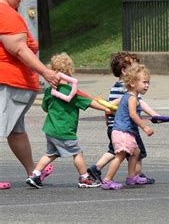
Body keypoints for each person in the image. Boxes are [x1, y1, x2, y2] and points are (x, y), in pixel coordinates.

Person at [0, 0, 60, 190]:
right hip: (8, 81)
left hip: (14, 82)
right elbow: (18, 49)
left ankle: (33, 170)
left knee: (16, 131)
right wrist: (46, 72)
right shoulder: (5, 13)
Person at [26, 53, 110, 188]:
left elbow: (45, 108)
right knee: (77, 153)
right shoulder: (73, 93)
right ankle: (84, 178)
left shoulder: (49, 91)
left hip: (50, 129)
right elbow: (89, 103)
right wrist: (106, 109)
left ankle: (35, 174)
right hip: (65, 130)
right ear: (70, 71)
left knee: (50, 153)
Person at [87, 52, 158, 184]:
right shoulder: (128, 89)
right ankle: (136, 174)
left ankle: (96, 168)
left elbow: (109, 106)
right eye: (135, 68)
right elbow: (139, 105)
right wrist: (153, 116)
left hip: (115, 126)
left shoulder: (117, 86)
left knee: (115, 150)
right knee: (137, 152)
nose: (139, 70)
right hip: (125, 127)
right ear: (125, 71)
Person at [101, 64, 155, 190]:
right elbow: (133, 114)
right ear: (132, 83)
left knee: (136, 152)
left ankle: (131, 177)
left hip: (125, 131)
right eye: (144, 82)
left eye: (148, 82)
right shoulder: (131, 98)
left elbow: (110, 105)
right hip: (123, 132)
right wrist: (145, 127)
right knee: (120, 156)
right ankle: (107, 180)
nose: (147, 85)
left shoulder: (128, 96)